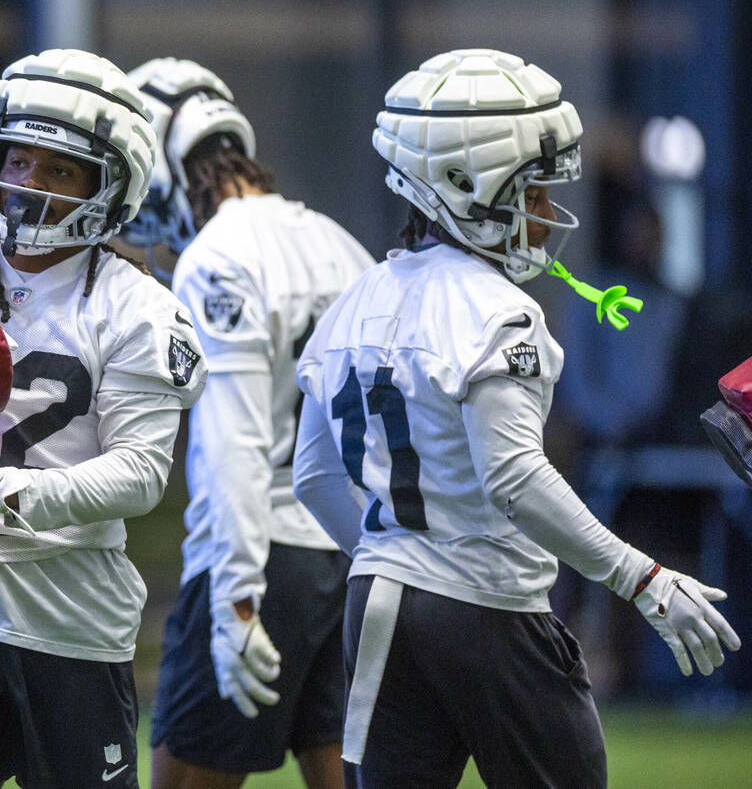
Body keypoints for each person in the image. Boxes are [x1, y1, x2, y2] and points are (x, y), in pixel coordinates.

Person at [292, 48, 741, 788]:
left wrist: (394, 560)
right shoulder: (497, 308)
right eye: (531, 191)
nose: (546, 214)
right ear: (462, 185)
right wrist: (645, 578)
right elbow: (516, 478)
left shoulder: (352, 299)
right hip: (488, 609)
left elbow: (313, 476)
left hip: (377, 606)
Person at [0, 48, 207, 788]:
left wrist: (1, 492)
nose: (28, 183)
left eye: (59, 170)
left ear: (106, 188)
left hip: (72, 623)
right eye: (18, 159)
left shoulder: (138, 307)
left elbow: (140, 474)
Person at [121, 57, 375, 788]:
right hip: (350, 552)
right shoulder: (338, 241)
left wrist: (233, 599)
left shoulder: (216, 257)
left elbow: (233, 441)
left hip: (259, 558)